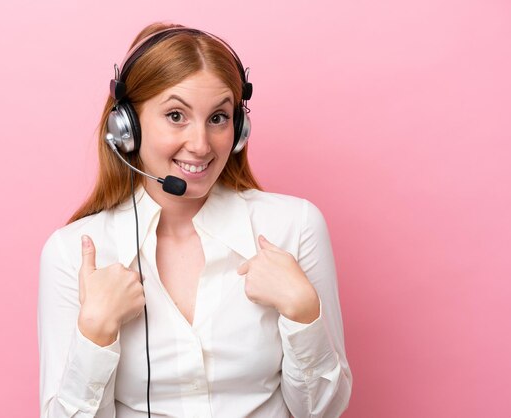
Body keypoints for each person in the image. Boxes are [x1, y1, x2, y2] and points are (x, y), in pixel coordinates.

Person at [38, 22, 353, 418]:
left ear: (239, 128)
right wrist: (96, 332)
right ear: (126, 127)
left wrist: (304, 313)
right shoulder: (73, 252)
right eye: (175, 115)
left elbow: (321, 411)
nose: (202, 144)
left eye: (219, 118)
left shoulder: (295, 226)